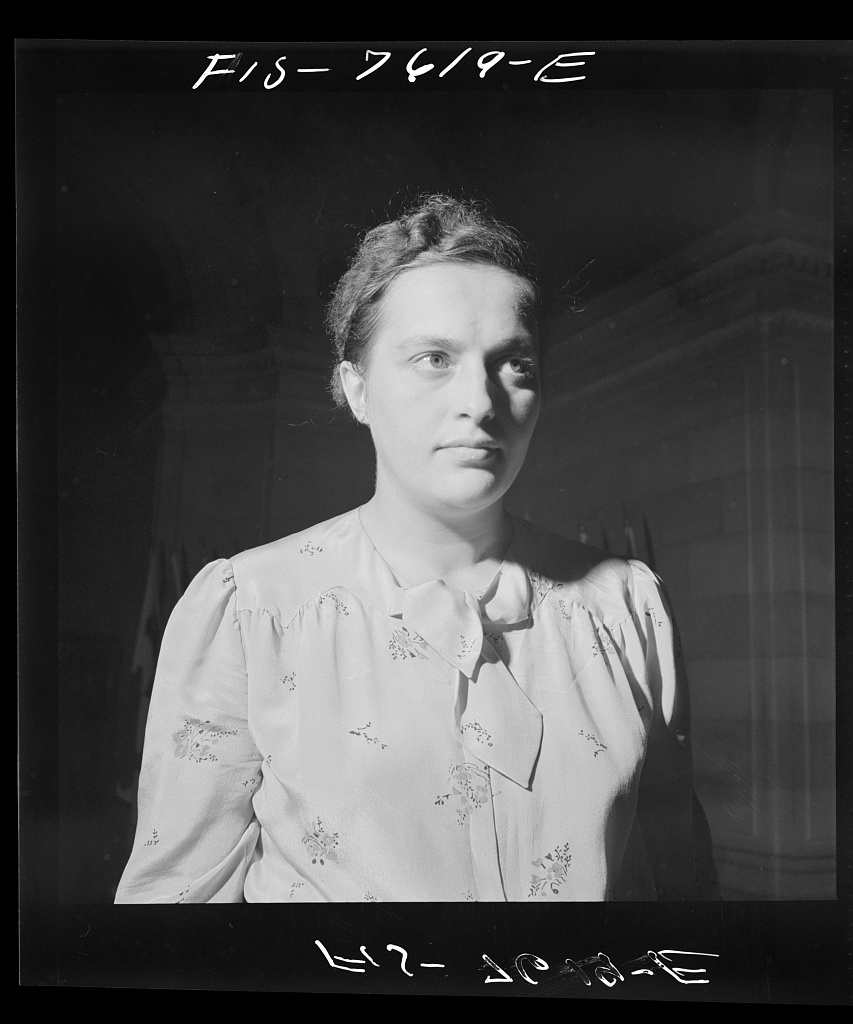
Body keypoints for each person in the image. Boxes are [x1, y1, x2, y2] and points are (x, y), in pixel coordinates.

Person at [115, 195, 717, 903]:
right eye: (433, 358)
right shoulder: (252, 608)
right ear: (356, 389)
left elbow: (680, 891)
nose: (480, 401)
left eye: (513, 363)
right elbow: (178, 908)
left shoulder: (624, 605)